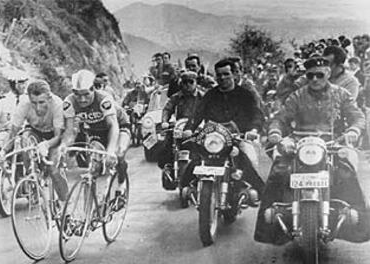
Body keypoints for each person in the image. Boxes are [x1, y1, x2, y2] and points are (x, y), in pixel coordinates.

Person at [255, 57, 369, 245]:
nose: (315, 79)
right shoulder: (297, 96)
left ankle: (356, 222)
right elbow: (280, 118)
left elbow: (357, 116)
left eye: (319, 75)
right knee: (278, 171)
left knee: (348, 169)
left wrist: (353, 131)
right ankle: (271, 222)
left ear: (328, 74)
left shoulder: (341, 94)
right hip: (300, 143)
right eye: (310, 76)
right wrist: (276, 133)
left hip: (333, 142)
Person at [183, 58, 265, 194]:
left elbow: (257, 114)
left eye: (226, 74)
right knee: (196, 158)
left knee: (248, 159)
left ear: (234, 74)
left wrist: (253, 130)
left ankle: (254, 192)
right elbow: (197, 115)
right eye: (219, 75)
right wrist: (188, 129)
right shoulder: (210, 95)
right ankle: (187, 188)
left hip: (238, 138)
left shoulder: (245, 95)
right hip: (214, 138)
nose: (222, 77)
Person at [0, 80, 68, 202]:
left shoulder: (57, 104)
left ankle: (65, 204)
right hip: (35, 131)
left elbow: (58, 136)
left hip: (54, 135)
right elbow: (13, 133)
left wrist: (46, 145)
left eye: (41, 102)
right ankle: (32, 177)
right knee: (24, 138)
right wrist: (3, 151)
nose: (38, 107)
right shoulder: (24, 104)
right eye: (34, 103)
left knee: (52, 169)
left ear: (49, 98)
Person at [61, 70, 124, 191]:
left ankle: (121, 186)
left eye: (86, 94)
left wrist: (111, 150)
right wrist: (63, 146)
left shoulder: (104, 99)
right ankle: (95, 200)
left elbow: (113, 126)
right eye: (77, 95)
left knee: (119, 153)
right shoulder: (69, 102)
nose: (82, 99)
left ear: (93, 89)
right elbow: (70, 130)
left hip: (119, 125)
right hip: (96, 130)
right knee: (95, 160)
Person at [158, 71, 205, 169]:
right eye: (185, 82)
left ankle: (204, 165)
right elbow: (167, 109)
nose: (188, 85)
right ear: (181, 83)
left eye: (191, 82)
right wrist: (165, 121)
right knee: (166, 144)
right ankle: (168, 167)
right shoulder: (176, 97)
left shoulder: (203, 96)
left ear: (196, 82)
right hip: (180, 127)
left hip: (198, 127)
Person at [0, 70, 28, 172]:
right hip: (6, 135)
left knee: (28, 155)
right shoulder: (2, 101)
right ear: (13, 85)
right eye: (21, 83)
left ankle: (34, 177)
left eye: (25, 83)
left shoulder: (29, 100)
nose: (24, 86)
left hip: (24, 135)